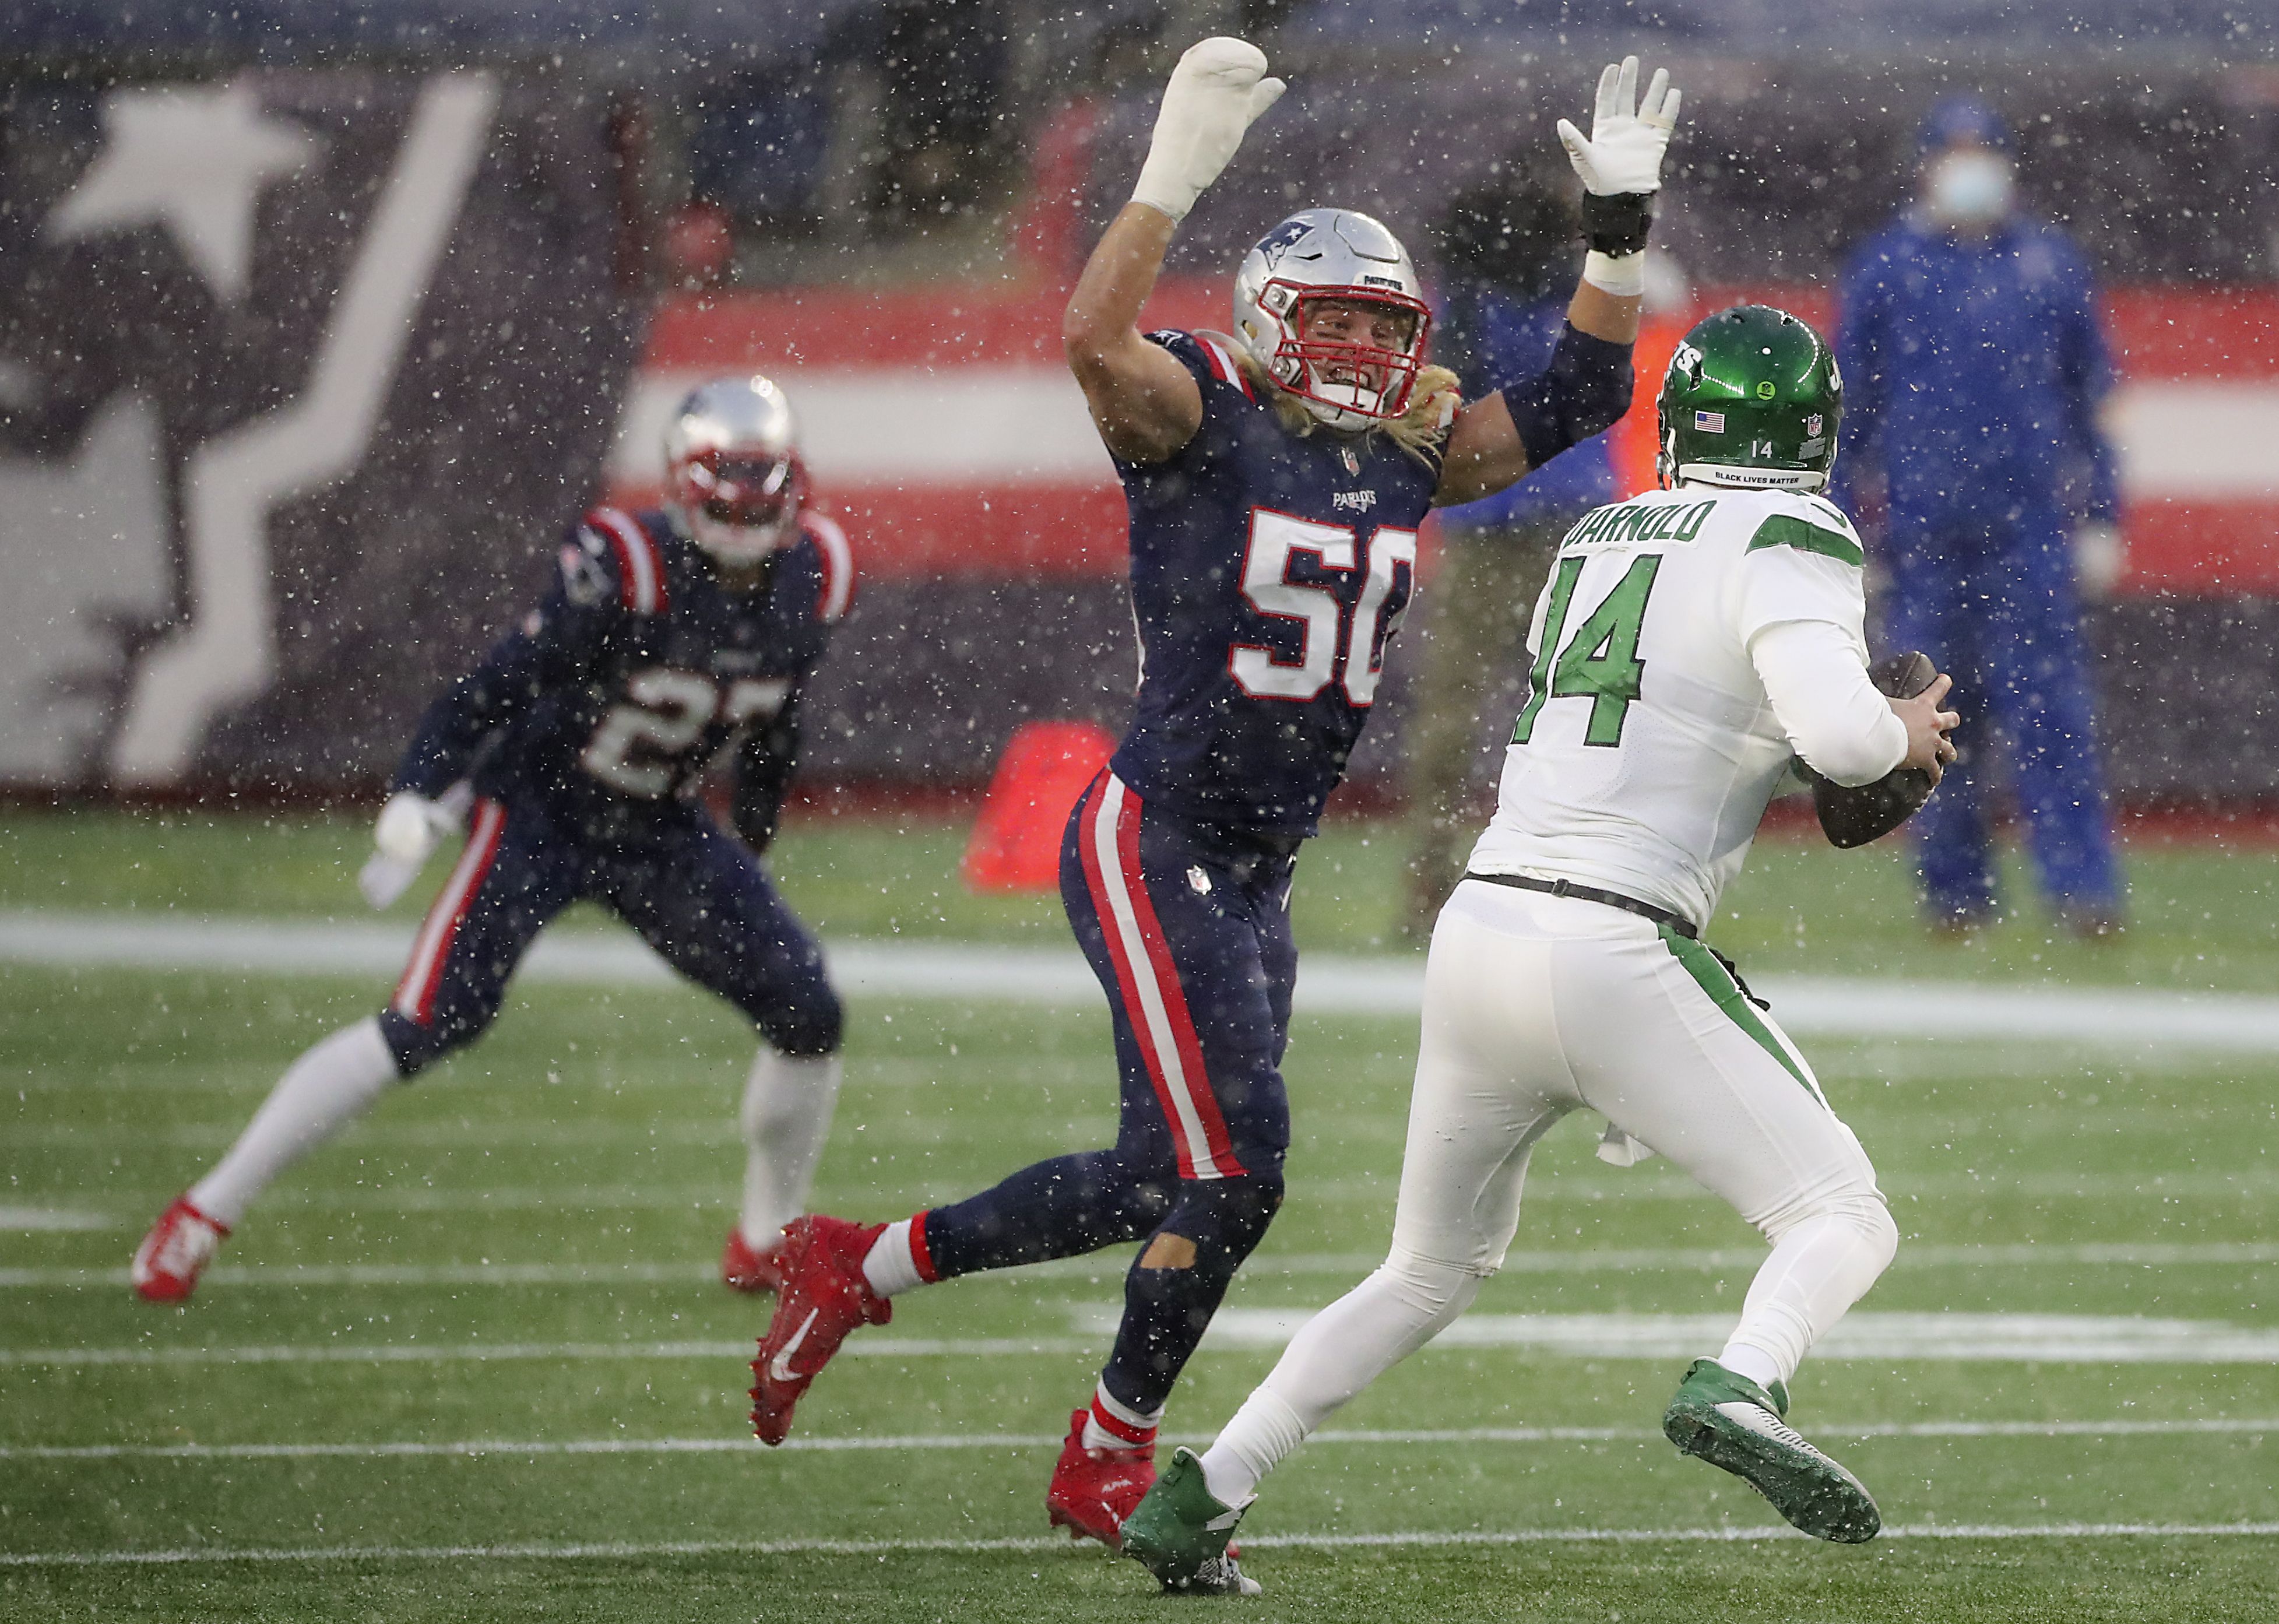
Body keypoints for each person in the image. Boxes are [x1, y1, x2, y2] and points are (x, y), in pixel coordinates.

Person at [745, 39, 1679, 1573]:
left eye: (1388, 329)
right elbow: (1089, 333)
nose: (1369, 355)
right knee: (1235, 1170)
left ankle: (859, 1262)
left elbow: (1581, 384)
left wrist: (1617, 233)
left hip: (1253, 866)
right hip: (1153, 834)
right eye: (1338, 325)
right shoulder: (1199, 417)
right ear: (1266, 321)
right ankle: (1110, 1450)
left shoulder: (1399, 459)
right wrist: (1168, 178)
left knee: (1152, 1176)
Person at [1117, 305, 1961, 1592]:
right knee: (1838, 1215)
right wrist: (1897, 737)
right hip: (1611, 945)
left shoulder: (1599, 532)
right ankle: (1741, 1378)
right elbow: (1847, 746)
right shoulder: (1794, 529)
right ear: (1813, 432)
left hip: (1484, 926)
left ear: (1680, 427)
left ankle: (1204, 1494)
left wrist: (1799, 748)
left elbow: (1655, 721)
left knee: (1421, 1270)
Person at [130, 376, 855, 1302]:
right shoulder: (625, 562)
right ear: (682, 481)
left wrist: (754, 820)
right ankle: (203, 1211)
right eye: (731, 476)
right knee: (427, 1023)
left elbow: (778, 707)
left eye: (765, 476)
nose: (751, 499)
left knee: (807, 1011)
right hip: (542, 811)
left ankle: (764, 1239)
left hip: (659, 824)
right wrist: (421, 787)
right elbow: (497, 684)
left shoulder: (818, 572)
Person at [1835, 96, 2124, 934]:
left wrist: (2102, 513)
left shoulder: (2048, 265)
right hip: (1923, 534)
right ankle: (1954, 896)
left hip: (2029, 533)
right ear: (1925, 165)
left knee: (2052, 718)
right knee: (1933, 723)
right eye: (1953, 151)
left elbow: (2091, 402)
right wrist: (1846, 528)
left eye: (1981, 151)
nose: (1968, 167)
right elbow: (1852, 412)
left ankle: (2081, 893)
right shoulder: (1886, 268)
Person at [1400, 171, 1617, 936]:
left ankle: (1588, 879)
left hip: (1561, 521)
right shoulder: (1476, 292)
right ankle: (1433, 872)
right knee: (1458, 719)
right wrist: (1468, 285)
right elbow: (1447, 382)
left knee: (1579, 710)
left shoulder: (1579, 281)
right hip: (1500, 522)